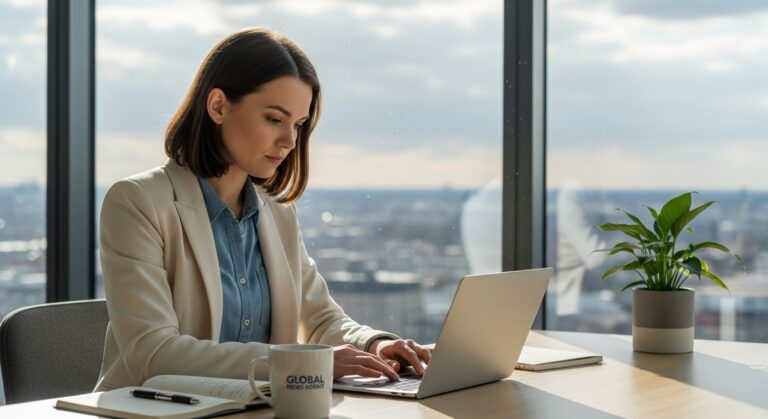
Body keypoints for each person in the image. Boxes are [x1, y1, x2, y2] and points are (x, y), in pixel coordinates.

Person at [95, 27, 431, 391]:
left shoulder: (277, 213)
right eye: (274, 119)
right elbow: (153, 353)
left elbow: (317, 317)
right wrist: (304, 363)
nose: (289, 141)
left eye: (298, 125)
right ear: (218, 106)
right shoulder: (137, 202)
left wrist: (374, 344)